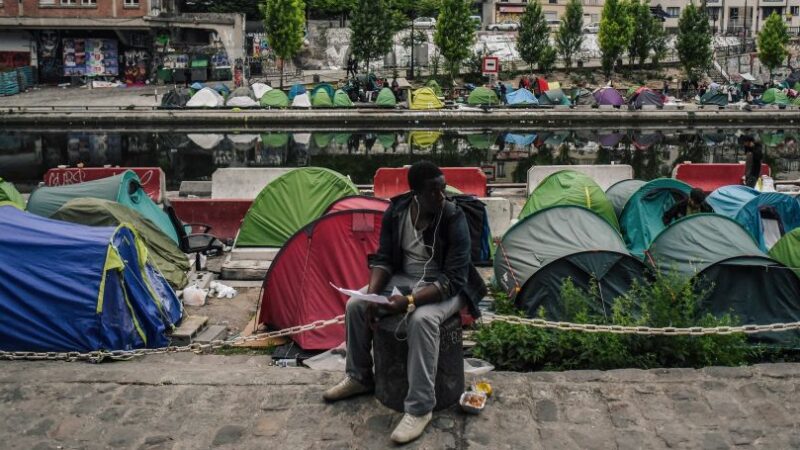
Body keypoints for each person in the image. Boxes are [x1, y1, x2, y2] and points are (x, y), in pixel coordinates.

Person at [323, 161, 486, 445]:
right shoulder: (397, 211)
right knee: (355, 305)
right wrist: (373, 295)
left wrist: (408, 301)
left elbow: (453, 279)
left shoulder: (452, 217)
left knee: (422, 320)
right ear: (416, 193)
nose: (441, 196)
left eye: (443, 189)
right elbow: (384, 259)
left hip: (447, 287)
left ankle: (420, 408)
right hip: (406, 278)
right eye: (433, 191)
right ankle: (359, 377)